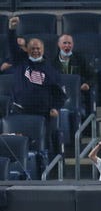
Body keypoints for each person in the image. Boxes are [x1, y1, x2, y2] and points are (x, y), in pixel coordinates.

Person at [7, 16, 66, 155]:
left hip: (43, 115)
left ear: (43, 50)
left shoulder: (51, 70)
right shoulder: (20, 62)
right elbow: (12, 46)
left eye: (38, 48)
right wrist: (11, 30)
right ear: (27, 49)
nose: (35, 51)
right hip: (20, 112)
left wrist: (56, 108)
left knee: (43, 145)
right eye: (32, 48)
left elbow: (60, 94)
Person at [52, 33, 95, 116]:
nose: (67, 45)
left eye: (69, 43)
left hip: (77, 95)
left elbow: (92, 76)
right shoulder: (52, 62)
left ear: (73, 45)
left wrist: (87, 84)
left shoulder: (80, 59)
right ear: (59, 44)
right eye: (64, 43)